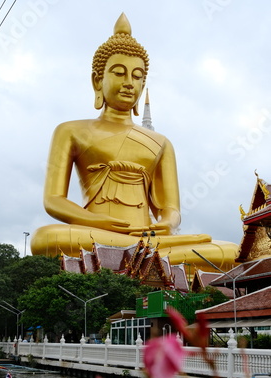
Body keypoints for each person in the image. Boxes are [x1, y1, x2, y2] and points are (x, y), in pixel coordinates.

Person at [31, 13, 238, 270]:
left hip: (149, 238)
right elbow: (53, 200)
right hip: (98, 233)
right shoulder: (71, 131)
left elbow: (170, 209)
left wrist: (166, 223)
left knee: (231, 251)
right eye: (119, 73)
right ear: (98, 81)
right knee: (46, 238)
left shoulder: (160, 142)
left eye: (137, 76)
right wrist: (97, 223)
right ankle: (146, 261)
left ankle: (137, 258)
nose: (129, 83)